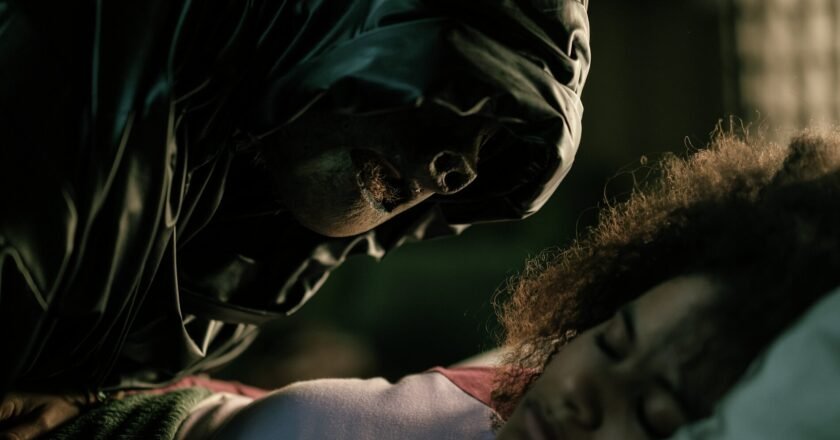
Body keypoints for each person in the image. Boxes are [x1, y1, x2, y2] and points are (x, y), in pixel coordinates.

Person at [23, 129, 840, 439]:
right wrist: (101, 402)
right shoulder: (493, 396)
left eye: (653, 416)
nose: (587, 392)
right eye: (612, 341)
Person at [0, 0, 592, 401]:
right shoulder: (79, 49)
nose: (460, 172)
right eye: (466, 90)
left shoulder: (248, 240)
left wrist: (87, 401)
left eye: (494, 144)